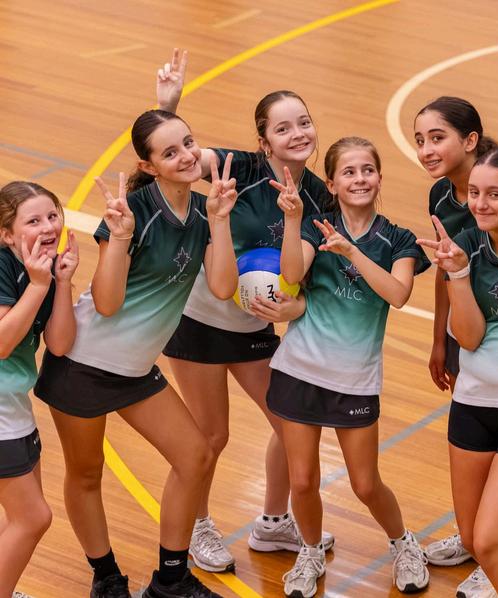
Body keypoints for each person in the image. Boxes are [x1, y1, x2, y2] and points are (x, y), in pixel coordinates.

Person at [34, 110, 238, 598]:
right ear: (149, 166)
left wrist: (220, 221)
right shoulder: (132, 213)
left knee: (195, 455)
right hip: (83, 365)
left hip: (135, 370)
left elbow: (223, 287)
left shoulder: (204, 210)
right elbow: (106, 303)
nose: (186, 156)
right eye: (170, 152)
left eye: (188, 142)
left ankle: (170, 580)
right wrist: (121, 238)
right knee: (86, 473)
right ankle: (106, 577)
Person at [156, 49, 334, 573]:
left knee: (290, 423)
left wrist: (294, 304)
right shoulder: (239, 167)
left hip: (254, 325)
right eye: (283, 128)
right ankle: (197, 525)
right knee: (211, 436)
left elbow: (309, 273)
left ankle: (274, 522)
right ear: (264, 141)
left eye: (304, 122)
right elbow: (177, 159)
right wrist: (168, 106)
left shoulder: (319, 197)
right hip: (199, 321)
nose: (298, 133)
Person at [267, 136, 431, 597]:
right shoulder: (315, 227)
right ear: (332, 183)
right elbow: (292, 274)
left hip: (354, 381)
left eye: (367, 170)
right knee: (302, 480)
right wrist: (293, 219)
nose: (360, 179)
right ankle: (310, 550)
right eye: (349, 172)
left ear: (379, 177)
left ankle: (404, 544)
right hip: (299, 370)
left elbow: (398, 294)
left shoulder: (398, 240)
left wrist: (352, 252)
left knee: (364, 483)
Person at [417, 147, 498, 598]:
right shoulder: (467, 246)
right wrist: (457, 274)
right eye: (474, 193)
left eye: (495, 194)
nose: (480, 203)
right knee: (476, 541)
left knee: (492, 541)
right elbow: (470, 338)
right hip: (473, 404)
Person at [0, 181, 78, 598]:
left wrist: (61, 282)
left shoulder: (43, 268)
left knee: (15, 518)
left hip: (15, 405)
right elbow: (1, 344)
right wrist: (37, 286)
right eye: (33, 221)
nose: (48, 226)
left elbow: (60, 344)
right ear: (7, 234)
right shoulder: (3, 266)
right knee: (33, 518)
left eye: (52, 216)